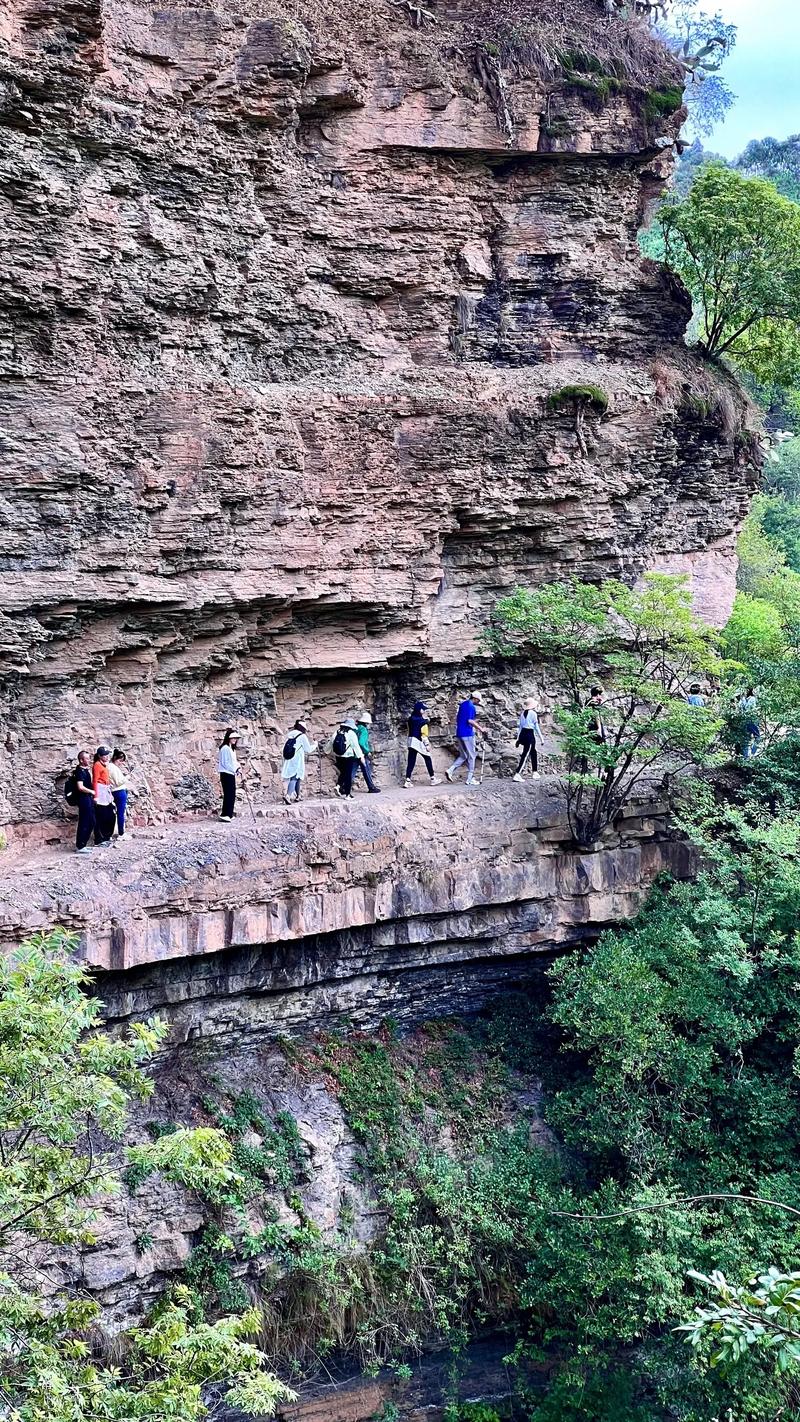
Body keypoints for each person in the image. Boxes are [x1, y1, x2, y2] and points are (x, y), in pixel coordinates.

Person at [445, 692, 485, 787]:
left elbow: (462, 718)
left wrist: (475, 723)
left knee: (464, 755)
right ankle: (470, 778)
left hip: (459, 733)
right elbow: (469, 720)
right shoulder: (471, 707)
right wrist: (481, 728)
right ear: (475, 698)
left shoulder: (463, 704)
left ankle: (450, 770)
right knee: (472, 756)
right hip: (467, 734)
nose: (478, 702)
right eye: (478, 700)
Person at [404, 700, 439, 787]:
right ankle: (433, 779)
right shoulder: (422, 721)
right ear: (420, 710)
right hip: (419, 741)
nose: (424, 711)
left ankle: (407, 780)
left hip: (410, 740)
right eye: (423, 709)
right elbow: (424, 734)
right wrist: (427, 745)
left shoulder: (410, 719)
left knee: (411, 761)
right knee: (427, 758)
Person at [281, 720, 317, 803]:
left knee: (297, 778)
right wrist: (315, 745)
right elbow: (308, 749)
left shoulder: (290, 735)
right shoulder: (302, 736)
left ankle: (298, 796)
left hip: (289, 758)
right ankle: (288, 796)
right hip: (297, 759)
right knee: (295, 777)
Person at [513, 699, 545, 781]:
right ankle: (517, 773)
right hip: (529, 734)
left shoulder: (522, 713)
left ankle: (535, 771)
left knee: (533, 752)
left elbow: (520, 727)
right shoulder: (533, 713)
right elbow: (536, 727)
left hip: (523, 733)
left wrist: (518, 739)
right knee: (526, 753)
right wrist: (541, 738)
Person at [92, 746, 117, 846]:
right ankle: (100, 838)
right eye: (104, 755)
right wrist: (96, 795)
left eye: (107, 755)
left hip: (105, 788)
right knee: (102, 814)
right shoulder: (97, 765)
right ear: (99, 756)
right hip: (100, 789)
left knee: (109, 814)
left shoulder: (103, 765)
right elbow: (95, 781)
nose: (106, 757)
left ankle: (106, 835)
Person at [333, 718, 364, 799]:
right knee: (348, 776)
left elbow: (331, 743)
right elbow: (356, 747)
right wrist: (361, 757)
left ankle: (338, 786)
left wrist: (326, 752)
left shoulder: (337, 732)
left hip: (338, 756)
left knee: (343, 773)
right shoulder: (351, 733)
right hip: (348, 757)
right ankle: (348, 794)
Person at [72, 750, 95, 854]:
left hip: (88, 798)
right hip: (83, 799)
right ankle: (80, 846)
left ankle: (83, 844)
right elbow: (80, 787)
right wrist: (92, 791)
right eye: (87, 758)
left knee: (91, 821)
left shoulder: (85, 770)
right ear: (81, 760)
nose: (89, 760)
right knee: (84, 821)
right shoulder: (79, 771)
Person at [579, 687, 607, 775]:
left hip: (587, 727)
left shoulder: (588, 702)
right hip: (593, 726)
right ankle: (605, 767)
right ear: (598, 694)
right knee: (603, 745)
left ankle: (584, 768)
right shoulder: (594, 703)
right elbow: (596, 715)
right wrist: (599, 728)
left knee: (586, 746)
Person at [355, 713, 381, 793]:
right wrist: (367, 751)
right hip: (362, 753)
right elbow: (361, 742)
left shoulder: (356, 728)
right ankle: (371, 787)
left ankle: (343, 787)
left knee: (352, 771)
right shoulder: (363, 730)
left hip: (354, 752)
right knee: (366, 770)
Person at [218, 728, 240, 821]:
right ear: (229, 738)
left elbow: (233, 762)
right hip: (226, 773)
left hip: (230, 773)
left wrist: (238, 768)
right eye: (233, 738)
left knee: (231, 793)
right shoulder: (225, 748)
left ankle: (229, 814)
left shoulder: (231, 749)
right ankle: (225, 814)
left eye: (236, 738)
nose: (235, 740)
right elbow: (225, 763)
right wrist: (235, 769)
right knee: (228, 793)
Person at [108, 748, 131, 837]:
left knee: (119, 812)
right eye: (120, 760)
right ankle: (121, 832)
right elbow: (118, 782)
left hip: (116, 791)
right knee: (121, 812)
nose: (121, 763)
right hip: (119, 791)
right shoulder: (112, 768)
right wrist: (127, 778)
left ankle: (118, 830)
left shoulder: (111, 767)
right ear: (115, 759)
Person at [738, 686, 760, 759]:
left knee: (748, 738)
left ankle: (748, 756)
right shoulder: (747, 699)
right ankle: (749, 756)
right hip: (748, 720)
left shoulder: (747, 699)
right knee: (753, 738)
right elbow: (745, 709)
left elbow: (744, 709)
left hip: (747, 720)